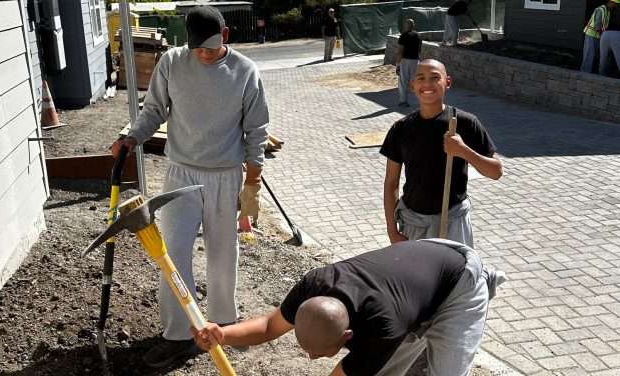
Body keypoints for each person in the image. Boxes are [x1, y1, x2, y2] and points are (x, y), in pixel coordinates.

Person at [111, 5, 269, 368]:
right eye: (198, 47)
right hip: (180, 174)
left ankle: (223, 326)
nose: (204, 54)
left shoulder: (244, 71)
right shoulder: (171, 62)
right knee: (173, 254)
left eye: (211, 48)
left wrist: (252, 182)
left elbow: (257, 128)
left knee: (221, 253)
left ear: (225, 36)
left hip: (224, 174)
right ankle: (178, 335)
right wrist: (133, 137)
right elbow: (154, 110)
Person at [191, 239, 506, 376]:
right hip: (416, 274)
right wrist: (224, 335)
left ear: (348, 335)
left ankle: (486, 283)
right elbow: (269, 327)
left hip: (459, 285)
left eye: (321, 352)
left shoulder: (383, 327)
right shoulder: (313, 286)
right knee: (378, 369)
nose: (311, 357)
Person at [380, 59, 502, 247]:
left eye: (435, 78)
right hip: (414, 224)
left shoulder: (465, 123)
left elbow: (496, 172)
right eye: (420, 78)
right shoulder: (401, 129)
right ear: (412, 85)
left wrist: (464, 151)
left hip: (453, 222)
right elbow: (391, 183)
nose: (427, 84)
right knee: (416, 277)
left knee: (455, 276)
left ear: (448, 82)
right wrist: (392, 231)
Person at [581, 0, 618, 73]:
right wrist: (602, 36)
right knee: (589, 55)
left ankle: (594, 72)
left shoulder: (608, 11)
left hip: (598, 35)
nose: (616, 6)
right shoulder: (600, 10)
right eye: (615, 4)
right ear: (610, 2)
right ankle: (584, 73)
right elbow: (597, 26)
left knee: (597, 55)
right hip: (591, 34)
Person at [396, 19, 422, 107]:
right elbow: (419, 49)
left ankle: (404, 101)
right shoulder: (418, 35)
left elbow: (400, 51)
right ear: (413, 25)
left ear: (405, 26)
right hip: (415, 60)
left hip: (405, 61)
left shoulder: (403, 36)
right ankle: (422, 100)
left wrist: (398, 64)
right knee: (415, 81)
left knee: (403, 81)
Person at [599, 3, 620, 76]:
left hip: (605, 34)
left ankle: (602, 76)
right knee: (618, 57)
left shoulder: (605, 9)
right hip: (617, 34)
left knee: (603, 58)